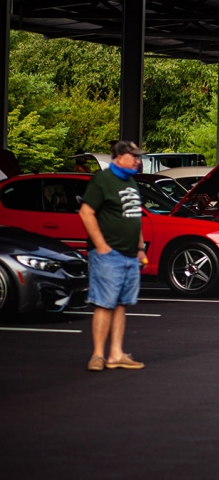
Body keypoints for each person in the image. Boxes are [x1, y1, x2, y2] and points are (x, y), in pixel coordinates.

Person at [79, 141, 147, 371]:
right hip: (109, 255)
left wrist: (140, 249)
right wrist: (101, 246)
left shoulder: (131, 183)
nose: (137, 160)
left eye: (139, 157)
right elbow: (86, 212)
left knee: (120, 305)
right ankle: (97, 355)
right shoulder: (103, 181)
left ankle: (115, 354)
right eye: (134, 156)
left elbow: (134, 217)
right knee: (104, 304)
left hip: (129, 255)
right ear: (119, 157)